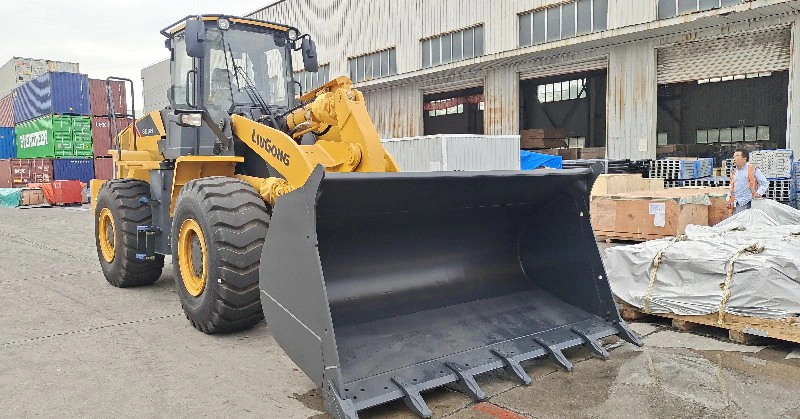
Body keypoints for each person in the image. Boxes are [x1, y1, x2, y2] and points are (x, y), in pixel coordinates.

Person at [726, 148, 769, 214]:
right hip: (736, 203)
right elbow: (732, 188)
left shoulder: (752, 169)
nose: (734, 159)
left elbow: (764, 183)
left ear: (745, 158)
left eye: (737, 156)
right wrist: (728, 199)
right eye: (733, 157)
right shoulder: (734, 172)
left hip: (748, 202)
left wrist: (758, 193)